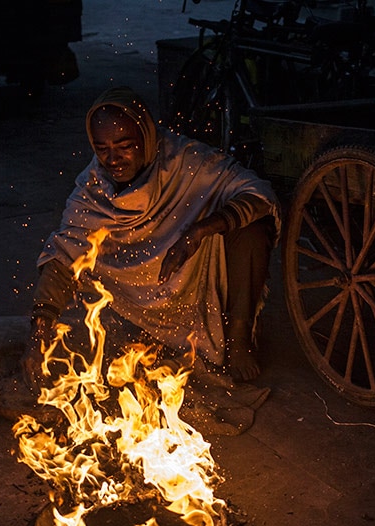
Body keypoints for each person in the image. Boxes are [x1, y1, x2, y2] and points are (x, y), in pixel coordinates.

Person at [21, 86, 280, 393]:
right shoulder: (93, 187)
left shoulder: (186, 160)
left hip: (195, 279)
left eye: (125, 146)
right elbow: (64, 255)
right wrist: (40, 332)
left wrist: (199, 231)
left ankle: (238, 338)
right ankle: (150, 333)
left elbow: (259, 193)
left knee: (253, 226)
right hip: (140, 300)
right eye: (102, 149)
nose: (113, 159)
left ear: (146, 136)